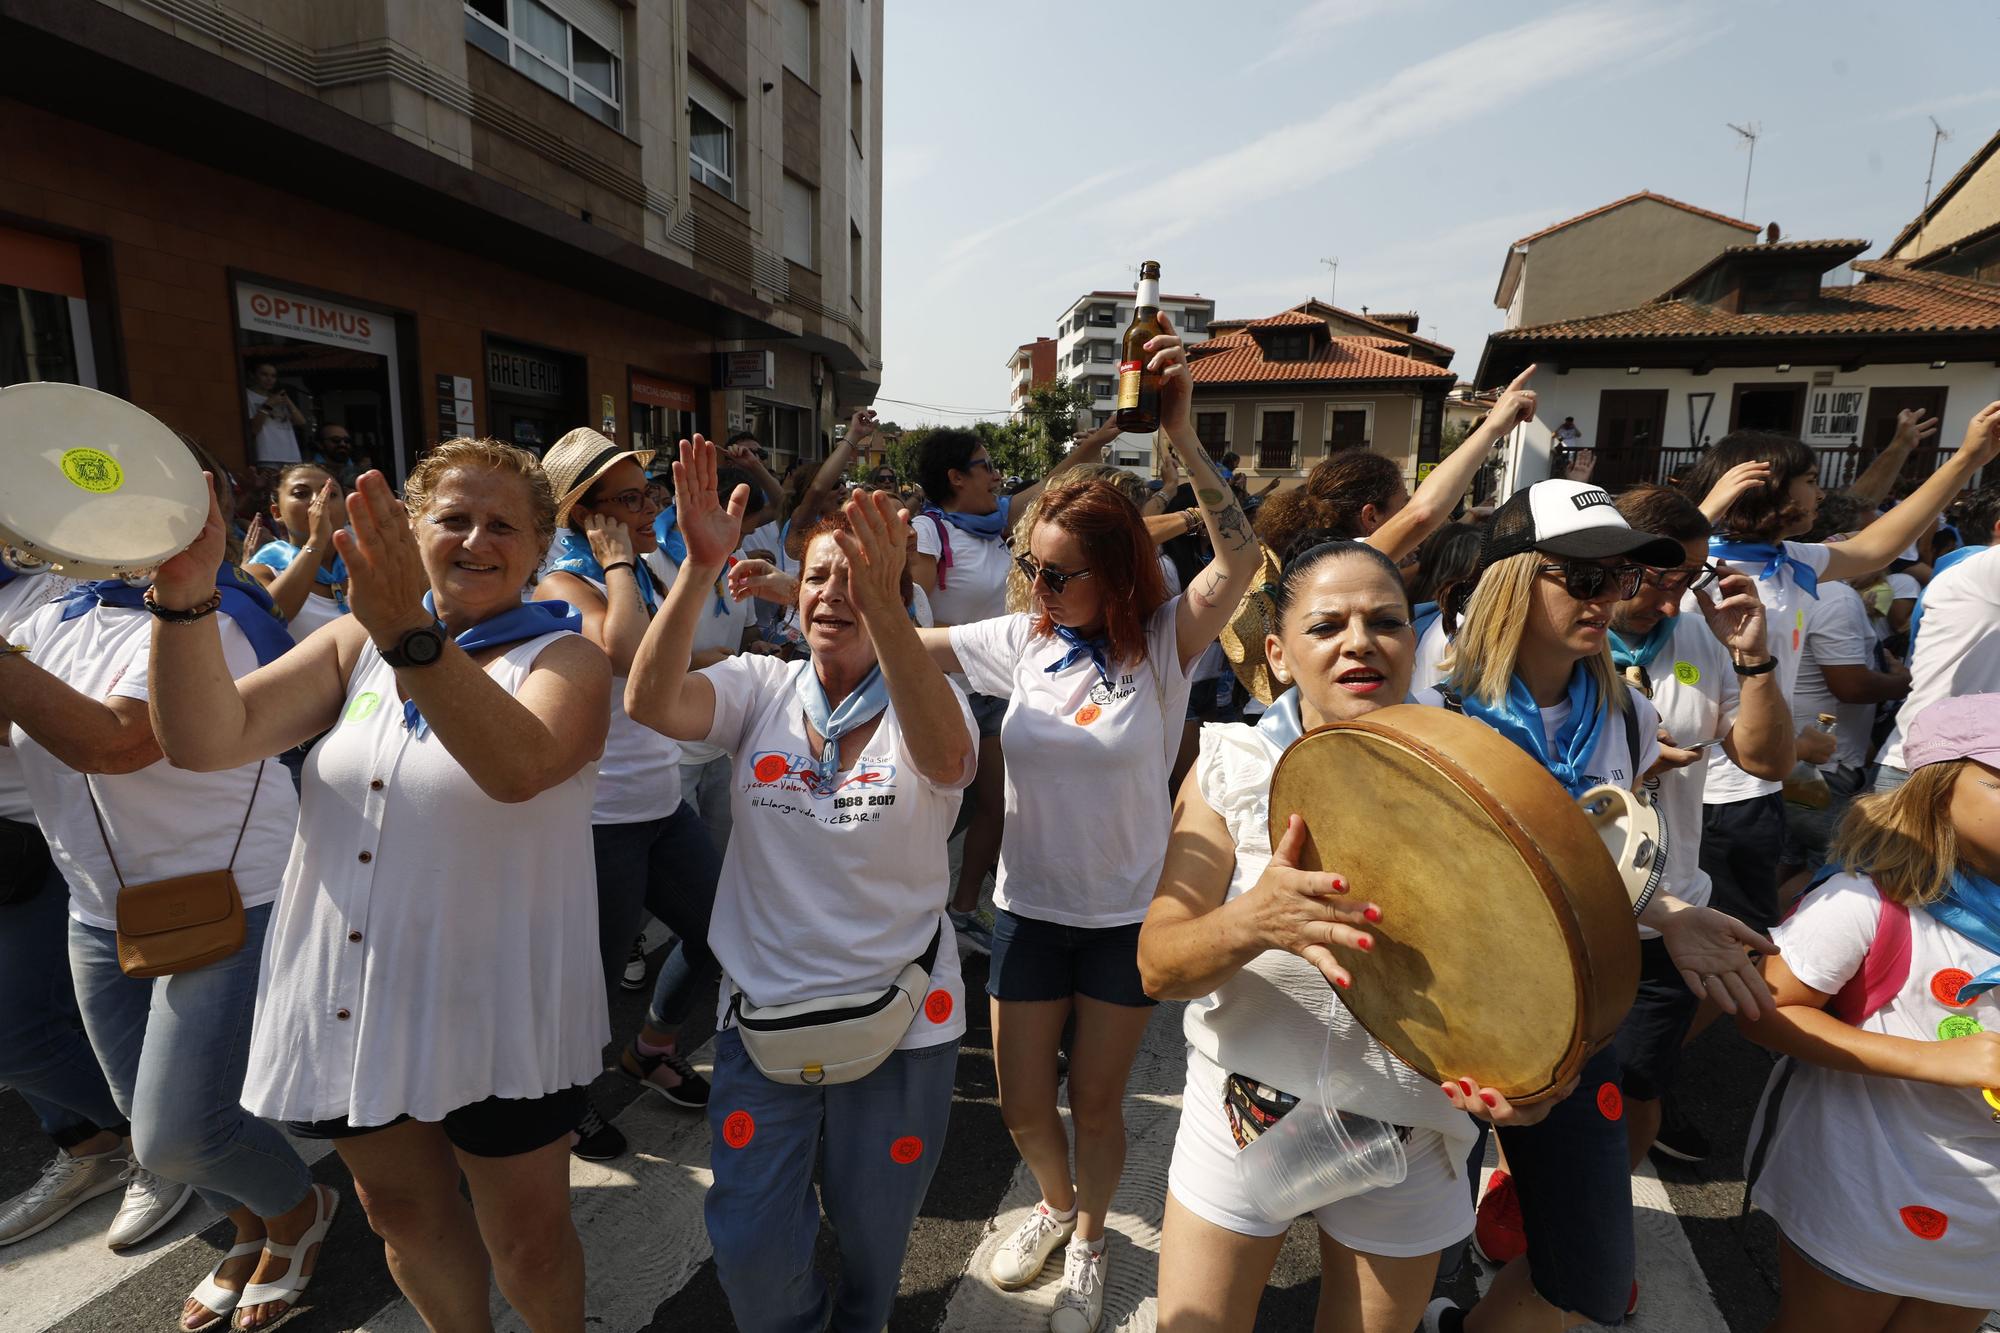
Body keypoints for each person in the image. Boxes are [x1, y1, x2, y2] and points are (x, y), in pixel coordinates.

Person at [146, 442, 611, 1333]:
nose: (476, 539)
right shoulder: (352, 641)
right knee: (398, 1211)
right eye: (454, 517)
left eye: (503, 524)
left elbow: (517, 768)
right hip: (352, 992)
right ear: (413, 528)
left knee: (529, 1239)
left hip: (496, 997)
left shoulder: (564, 658)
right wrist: (182, 597)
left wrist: (407, 630)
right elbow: (208, 736)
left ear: (541, 547)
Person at [917, 314, 1261, 1333]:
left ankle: (1093, 1236)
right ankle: (1054, 1203)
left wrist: (1184, 441)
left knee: (1097, 1103)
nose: (1036, 590)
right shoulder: (1020, 638)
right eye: (1030, 570)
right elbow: (909, 640)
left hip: (1122, 918)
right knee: (1025, 1103)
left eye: (1055, 574)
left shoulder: (1163, 643)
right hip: (1028, 910)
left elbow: (1240, 554)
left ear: (1112, 574)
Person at [1139, 537, 1554, 1333]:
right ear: (1279, 653)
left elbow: (1525, 970)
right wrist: (1251, 920)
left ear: (1416, 641)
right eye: (1327, 625)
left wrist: (1527, 1081)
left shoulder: (1481, 771)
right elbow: (1158, 964)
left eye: (1386, 621)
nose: (1359, 641)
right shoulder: (1229, 761)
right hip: (1243, 1110)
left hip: (1410, 1129)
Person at [623, 437, 976, 1333]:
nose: (831, 594)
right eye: (819, 574)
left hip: (904, 1025)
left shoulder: (934, 698)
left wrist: (886, 607)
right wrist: (700, 570)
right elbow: (651, 703)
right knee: (747, 1239)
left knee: (874, 1234)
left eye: (857, 575)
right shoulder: (758, 687)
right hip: (764, 1023)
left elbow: (947, 760)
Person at [1415, 480, 1780, 1333]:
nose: (1610, 597)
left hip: (1576, 1015)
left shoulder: (1627, 711)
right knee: (1411, 1252)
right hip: (1440, 1015)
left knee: (1592, 1277)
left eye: (1617, 578)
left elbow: (1601, 851)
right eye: (1582, 577)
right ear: (1509, 579)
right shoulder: (1430, 702)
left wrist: (1672, 917)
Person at [0, 475, 326, 1332]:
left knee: (177, 1132)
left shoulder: (215, 616)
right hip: (98, 908)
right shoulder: (46, 620)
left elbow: (114, 742)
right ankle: (250, 1224)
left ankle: (298, 1211)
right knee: (163, 1117)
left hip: (230, 897)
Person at [1676, 405, 2000, 932]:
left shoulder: (1796, 561)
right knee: (1721, 941)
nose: (1818, 494)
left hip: (1759, 786)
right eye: (1807, 481)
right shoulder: (1687, 571)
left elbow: (1879, 544)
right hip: (1701, 789)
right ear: (1766, 488)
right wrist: (1703, 514)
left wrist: (1966, 459)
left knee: (1734, 935)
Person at [1741, 694, 2000, 1333]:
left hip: (1985, 1210)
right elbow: (1764, 1010)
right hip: (1864, 1179)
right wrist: (1938, 1060)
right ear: (1939, 788)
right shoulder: (1868, 900)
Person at [535, 428, 723, 1155]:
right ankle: (561, 1101)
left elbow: (664, 656)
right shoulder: (563, 579)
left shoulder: (636, 572)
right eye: (630, 498)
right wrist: (618, 559)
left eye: (649, 493)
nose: (650, 509)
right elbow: (621, 652)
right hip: (599, 817)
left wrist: (732, 657)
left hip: (658, 802)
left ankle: (650, 1049)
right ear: (585, 512)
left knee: (720, 926)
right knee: (592, 980)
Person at [1603, 485, 1795, 1169]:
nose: (1675, 597)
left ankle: (1602, 1216)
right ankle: (1517, 1209)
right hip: (1567, 910)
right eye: (1662, 576)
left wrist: (1753, 656)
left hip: (1669, 909)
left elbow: (1767, 758)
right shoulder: (1563, 631)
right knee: (1539, 1076)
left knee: (1635, 1082)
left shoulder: (1698, 635)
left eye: (1692, 577)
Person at [0, 560, 187, 1255]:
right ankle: (95, 1146)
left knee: (20, 1033)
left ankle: (168, 1148)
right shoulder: (59, 608)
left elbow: (103, 736)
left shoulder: (46, 596)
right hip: (64, 863)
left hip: (54, 853)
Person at [912, 417, 1121, 955]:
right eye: (985, 466)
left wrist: (1097, 441)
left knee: (994, 807)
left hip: (1001, 681)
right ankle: (913, 910)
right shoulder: (931, 533)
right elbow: (905, 611)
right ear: (956, 477)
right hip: (947, 688)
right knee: (939, 809)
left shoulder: (1003, 523)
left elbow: (1054, 481)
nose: (996, 476)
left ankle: (958, 913)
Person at [1782, 495, 1910, 886]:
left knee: (1787, 861)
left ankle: (1763, 938)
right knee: (1840, 870)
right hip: (1820, 764)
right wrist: (1903, 682)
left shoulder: (1787, 581)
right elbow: (1850, 685)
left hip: (1793, 753)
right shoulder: (1836, 594)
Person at [244, 463, 349, 643]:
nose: (319, 501)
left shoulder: (364, 564)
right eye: (301, 494)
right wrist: (317, 541)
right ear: (277, 513)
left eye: (331, 494)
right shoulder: (261, 571)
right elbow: (271, 620)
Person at [244, 363, 304, 465]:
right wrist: (269, 404)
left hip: (292, 457)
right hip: (267, 457)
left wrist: (288, 401)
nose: (269, 379)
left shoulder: (278, 397)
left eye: (273, 376)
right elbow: (253, 429)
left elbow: (301, 422)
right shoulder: (247, 395)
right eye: (264, 375)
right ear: (252, 375)